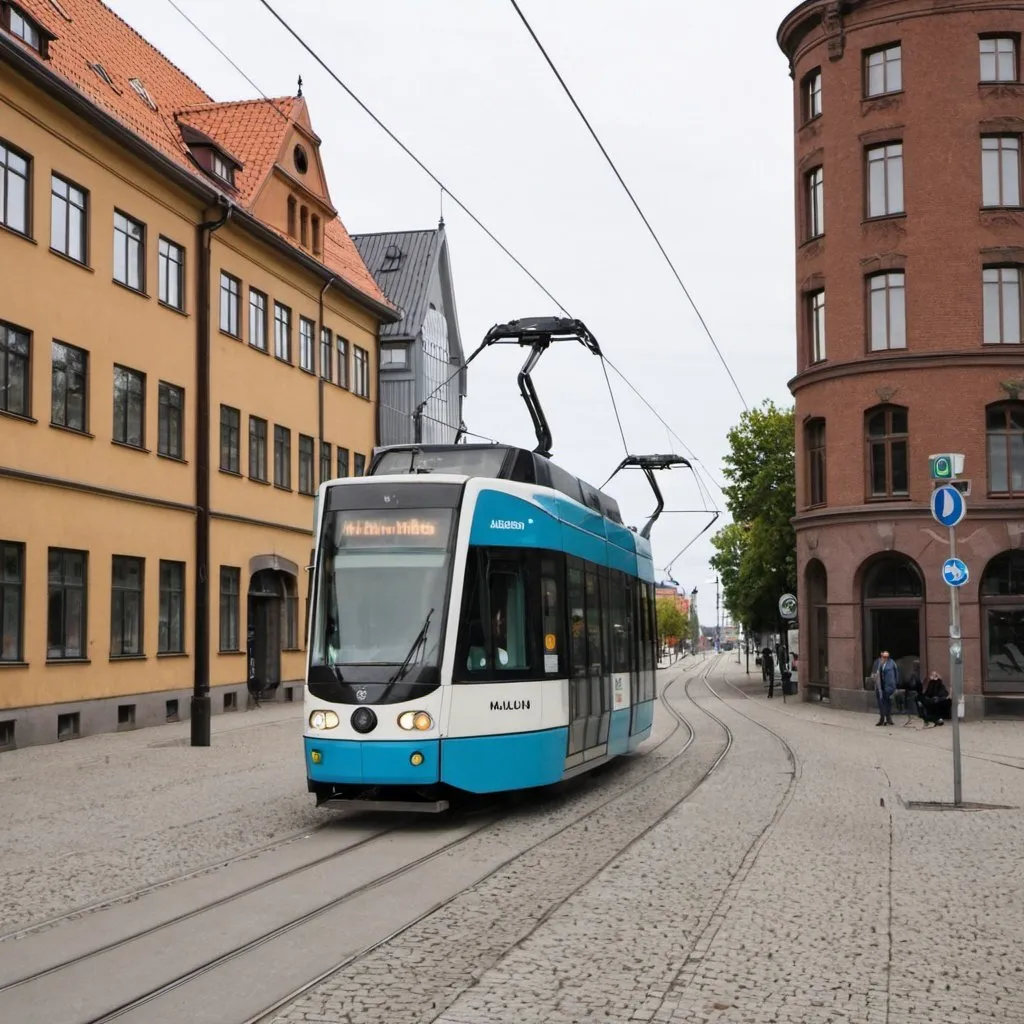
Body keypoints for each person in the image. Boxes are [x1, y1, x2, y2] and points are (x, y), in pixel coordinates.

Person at [871, 649, 899, 726]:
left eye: (887, 657)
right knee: (880, 702)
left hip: (889, 686)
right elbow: (873, 674)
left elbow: (896, 674)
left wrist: (896, 684)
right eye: (884, 656)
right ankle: (882, 718)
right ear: (881, 655)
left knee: (888, 702)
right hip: (879, 686)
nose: (885, 658)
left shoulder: (892, 663)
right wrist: (874, 676)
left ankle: (888, 717)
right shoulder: (877, 662)